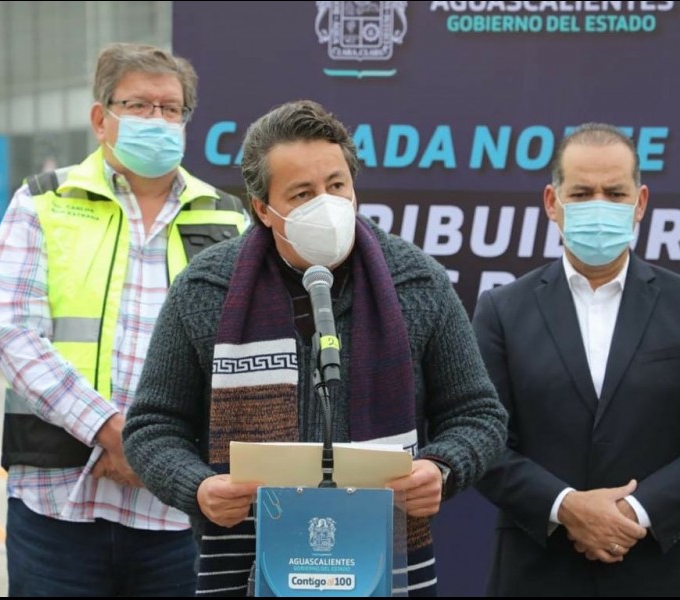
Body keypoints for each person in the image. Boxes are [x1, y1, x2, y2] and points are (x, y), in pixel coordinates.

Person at [122, 99, 508, 596]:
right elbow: (152, 426)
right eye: (302, 194)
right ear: (263, 209)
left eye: (336, 186)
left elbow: (478, 414)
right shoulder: (206, 289)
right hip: (248, 567)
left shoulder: (417, 282)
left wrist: (442, 467)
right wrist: (196, 487)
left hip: (383, 563)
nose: (326, 205)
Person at [0, 42, 248, 596]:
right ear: (100, 118)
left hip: (179, 511)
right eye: (138, 105)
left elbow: (245, 357)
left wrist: (158, 456)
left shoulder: (229, 220)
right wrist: (113, 433)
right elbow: (14, 336)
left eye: (171, 108)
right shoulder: (42, 202)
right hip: (58, 505)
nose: (157, 119)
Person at [472, 122, 680, 597]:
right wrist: (566, 507)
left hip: (672, 572)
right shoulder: (501, 311)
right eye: (582, 194)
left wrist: (631, 513)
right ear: (552, 203)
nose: (599, 206)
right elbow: (483, 440)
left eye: (615, 193)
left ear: (640, 203)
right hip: (540, 574)